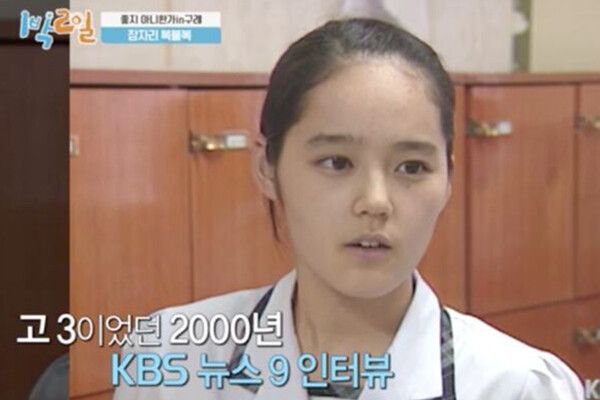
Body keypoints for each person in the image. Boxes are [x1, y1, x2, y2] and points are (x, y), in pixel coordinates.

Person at [113, 18, 584, 400]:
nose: (375, 202)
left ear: (448, 180)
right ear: (267, 169)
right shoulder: (171, 358)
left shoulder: (519, 387)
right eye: (336, 162)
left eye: (412, 167)